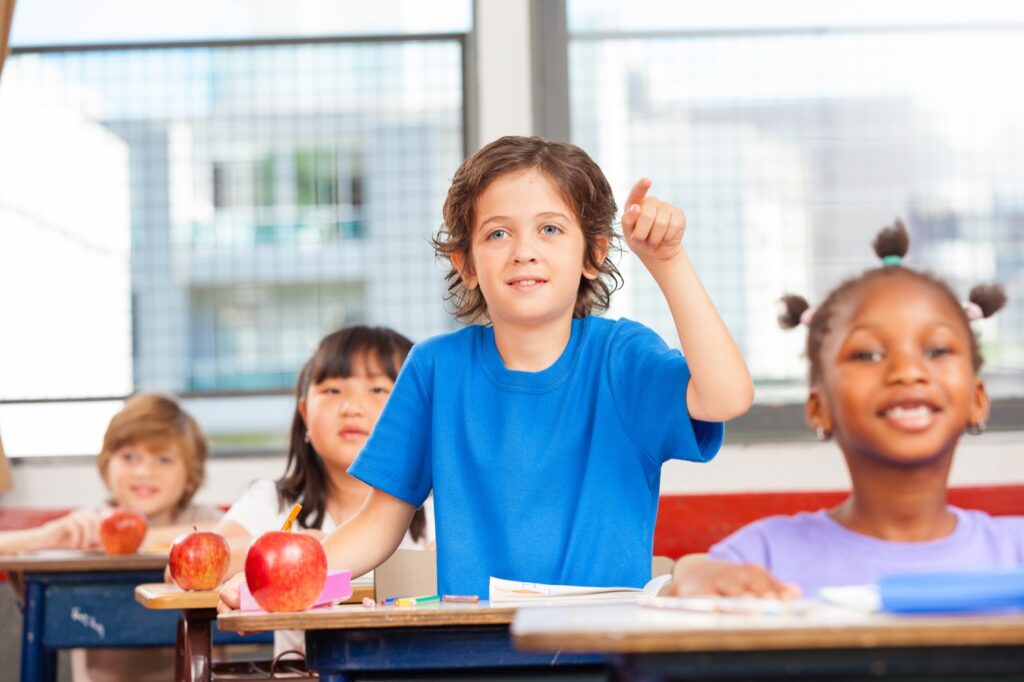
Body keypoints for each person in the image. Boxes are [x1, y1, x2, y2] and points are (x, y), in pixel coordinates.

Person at [218, 135, 753, 609]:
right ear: (466, 263)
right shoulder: (434, 369)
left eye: (549, 229)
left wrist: (668, 262)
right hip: (475, 649)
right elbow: (379, 524)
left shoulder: (623, 356)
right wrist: (281, 579)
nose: (524, 252)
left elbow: (727, 397)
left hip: (605, 650)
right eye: (498, 234)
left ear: (593, 253)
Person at [669, 220, 1023, 599]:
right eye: (868, 354)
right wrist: (690, 581)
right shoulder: (760, 559)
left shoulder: (1015, 551)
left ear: (977, 400)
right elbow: (682, 595)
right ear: (820, 409)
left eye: (936, 350)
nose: (907, 371)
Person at [213, 326, 431, 655]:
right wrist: (287, 555)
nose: (351, 407)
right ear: (304, 414)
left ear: (414, 412)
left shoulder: (436, 505)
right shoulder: (272, 501)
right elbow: (200, 562)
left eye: (377, 389)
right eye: (332, 391)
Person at [0, 393, 221, 682]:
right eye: (129, 457)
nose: (143, 471)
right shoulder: (90, 523)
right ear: (107, 465)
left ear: (190, 476)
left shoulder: (207, 523)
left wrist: (135, 541)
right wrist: (46, 536)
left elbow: (248, 541)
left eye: (164, 459)